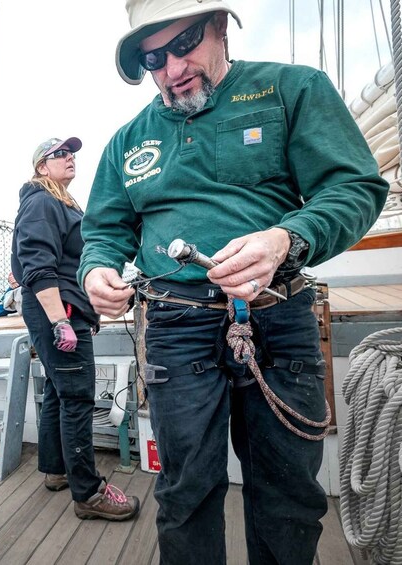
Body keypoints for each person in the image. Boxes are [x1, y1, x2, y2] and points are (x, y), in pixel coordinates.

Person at [79, 1, 389, 563]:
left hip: (278, 313)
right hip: (174, 325)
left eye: (184, 44)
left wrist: (286, 239)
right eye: (153, 58)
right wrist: (97, 268)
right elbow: (104, 230)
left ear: (220, 28)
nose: (172, 69)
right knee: (184, 490)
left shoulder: (292, 89)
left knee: (288, 494)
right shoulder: (127, 141)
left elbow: (355, 188)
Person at [11, 137, 141, 522]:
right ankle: (88, 493)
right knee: (78, 398)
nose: (70, 158)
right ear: (41, 166)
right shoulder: (41, 200)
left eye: (71, 153)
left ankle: (56, 470)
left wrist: (85, 314)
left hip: (66, 309)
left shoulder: (63, 203)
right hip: (56, 310)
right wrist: (62, 321)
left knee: (57, 389)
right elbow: (35, 263)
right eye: (60, 154)